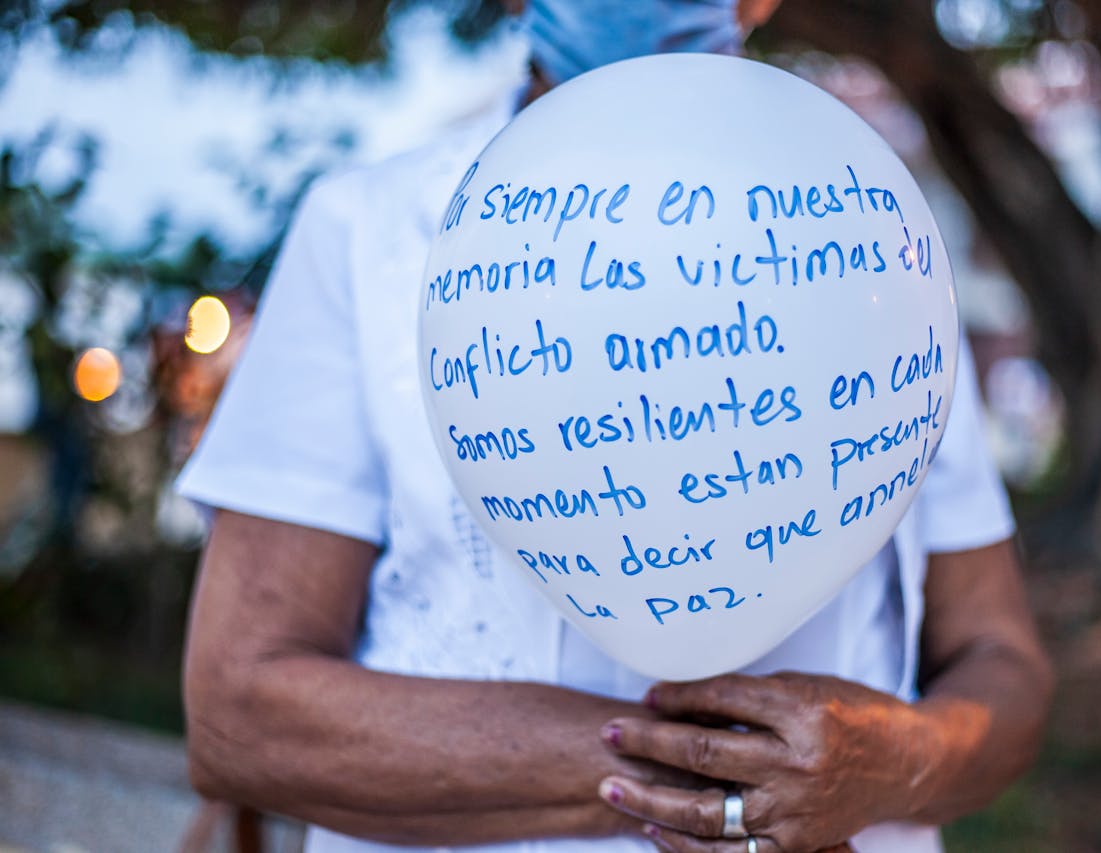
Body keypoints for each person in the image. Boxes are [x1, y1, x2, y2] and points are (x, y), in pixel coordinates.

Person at [178, 2, 1054, 852]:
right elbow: (241, 711)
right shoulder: (368, 232)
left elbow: (1001, 665)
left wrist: (896, 758)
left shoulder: (877, 239)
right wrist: (718, 777)